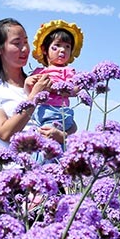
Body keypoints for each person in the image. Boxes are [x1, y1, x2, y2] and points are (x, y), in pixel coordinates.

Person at [0, 18, 67, 152]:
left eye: (25, 41)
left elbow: (66, 120)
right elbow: (5, 133)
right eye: (17, 43)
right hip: (14, 168)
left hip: (47, 166)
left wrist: (63, 136)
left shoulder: (39, 80)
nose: (24, 48)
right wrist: (35, 96)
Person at [25, 19, 82, 147]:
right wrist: (27, 83)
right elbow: (30, 95)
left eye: (67, 47)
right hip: (39, 114)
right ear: (45, 50)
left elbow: (75, 90)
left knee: (49, 144)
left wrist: (56, 89)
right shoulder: (39, 71)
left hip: (57, 113)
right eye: (57, 46)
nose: (62, 50)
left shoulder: (67, 71)